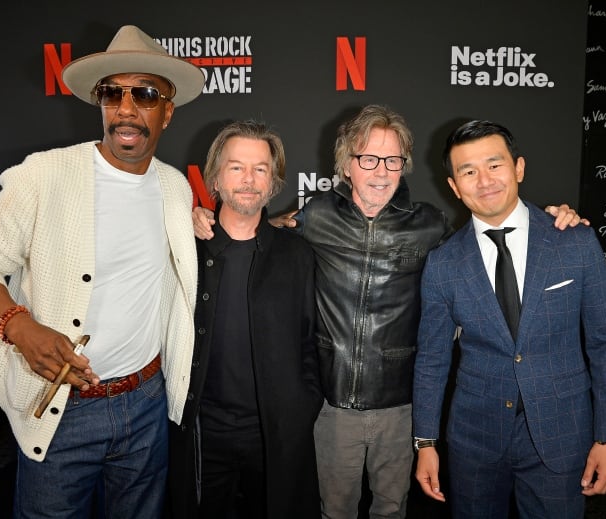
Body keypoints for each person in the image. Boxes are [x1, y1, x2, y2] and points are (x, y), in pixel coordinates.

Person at [193, 105, 585, 518]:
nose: (380, 171)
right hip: (332, 405)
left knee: (391, 511)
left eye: (392, 160)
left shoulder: (430, 225)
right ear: (347, 165)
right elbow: (260, 227)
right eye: (368, 159)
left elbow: (491, 235)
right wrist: (199, 216)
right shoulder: (318, 215)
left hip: (400, 407)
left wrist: (549, 219)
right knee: (334, 511)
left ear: (404, 166)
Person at [0, 25, 204, 517]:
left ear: (167, 112)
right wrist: (18, 325)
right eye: (113, 93)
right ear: (101, 104)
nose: (126, 108)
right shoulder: (45, 175)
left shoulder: (175, 188)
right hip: (64, 407)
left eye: (145, 94)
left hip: (146, 402)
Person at [412, 119, 606, 518]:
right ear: (454, 187)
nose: (484, 180)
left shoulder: (574, 240)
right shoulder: (443, 263)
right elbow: (432, 360)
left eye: (494, 164)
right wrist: (425, 443)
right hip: (474, 440)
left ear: (519, 168)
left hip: (562, 432)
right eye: (468, 171)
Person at [168, 120, 322, 519]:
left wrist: (301, 407)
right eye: (236, 167)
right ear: (215, 177)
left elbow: (312, 341)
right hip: (202, 432)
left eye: (261, 169)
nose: (249, 180)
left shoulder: (297, 255)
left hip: (275, 434)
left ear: (274, 182)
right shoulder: (184, 249)